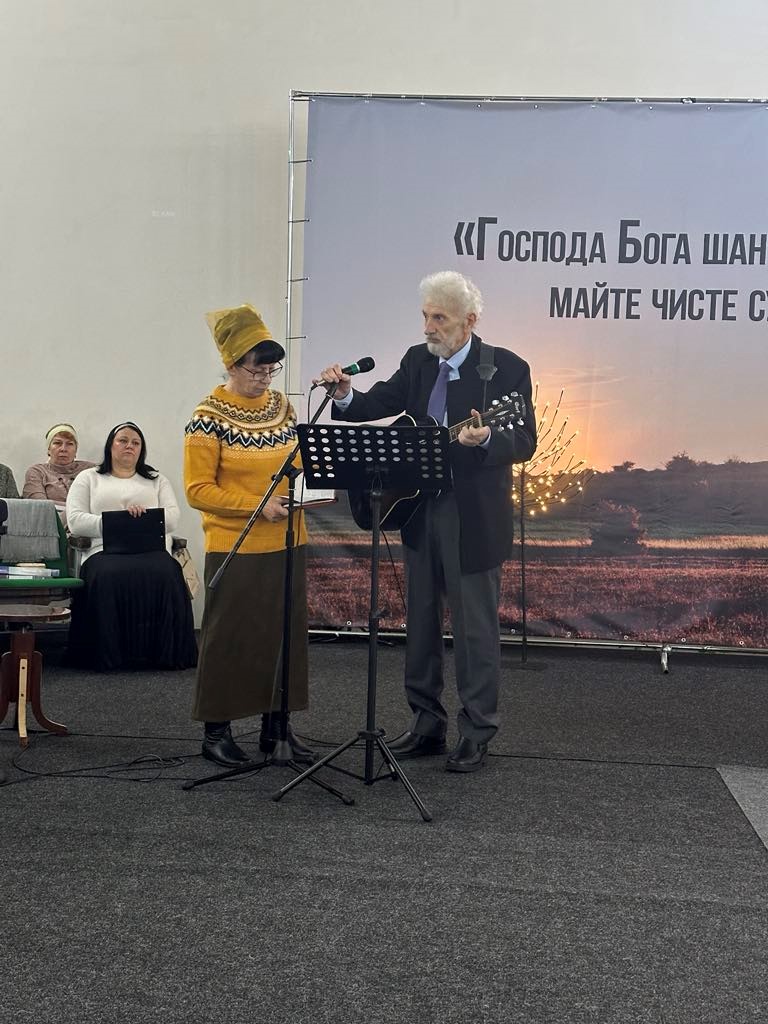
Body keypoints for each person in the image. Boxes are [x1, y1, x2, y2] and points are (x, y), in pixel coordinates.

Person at [317, 271, 537, 773]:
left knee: (474, 628)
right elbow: (378, 403)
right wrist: (348, 395)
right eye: (425, 316)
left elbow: (523, 438)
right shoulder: (418, 362)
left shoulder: (505, 369)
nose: (428, 327)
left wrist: (485, 441)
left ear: (469, 321)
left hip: (473, 516)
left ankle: (477, 730)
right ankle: (425, 724)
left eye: (439, 318)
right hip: (420, 510)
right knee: (419, 623)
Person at [184, 304, 313, 768]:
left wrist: (310, 489)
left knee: (284, 634)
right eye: (256, 366)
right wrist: (259, 508)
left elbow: (298, 463)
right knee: (230, 637)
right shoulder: (207, 416)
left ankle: (276, 729)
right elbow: (198, 490)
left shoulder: (283, 407)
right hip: (235, 545)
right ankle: (216, 731)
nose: (265, 375)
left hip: (289, 539)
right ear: (231, 364)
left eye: (271, 366)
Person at [65, 422, 197, 671]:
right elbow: (76, 520)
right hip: (103, 551)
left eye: (136, 443)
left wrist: (143, 519)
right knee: (105, 575)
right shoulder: (89, 478)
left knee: (168, 571)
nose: (129, 446)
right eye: (123, 440)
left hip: (151, 549)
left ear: (141, 450)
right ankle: (106, 656)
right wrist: (119, 522)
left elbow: (172, 517)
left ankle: (166, 655)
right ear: (110, 446)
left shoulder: (156, 479)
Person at [23, 424, 95, 528]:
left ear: (76, 451)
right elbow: (40, 508)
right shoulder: (37, 472)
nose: (63, 449)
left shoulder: (90, 469)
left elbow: (100, 501)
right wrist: (75, 512)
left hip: (87, 526)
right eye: (57, 443)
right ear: (48, 449)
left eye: (69, 444)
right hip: (49, 528)